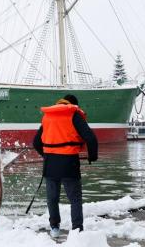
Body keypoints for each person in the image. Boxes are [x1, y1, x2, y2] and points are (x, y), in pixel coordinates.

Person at [32, 94, 98, 238]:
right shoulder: (73, 114)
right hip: (69, 163)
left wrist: (47, 156)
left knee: (52, 199)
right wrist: (92, 156)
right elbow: (91, 138)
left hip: (50, 164)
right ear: (74, 104)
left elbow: (36, 142)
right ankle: (77, 231)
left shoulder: (48, 116)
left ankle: (54, 228)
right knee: (75, 199)